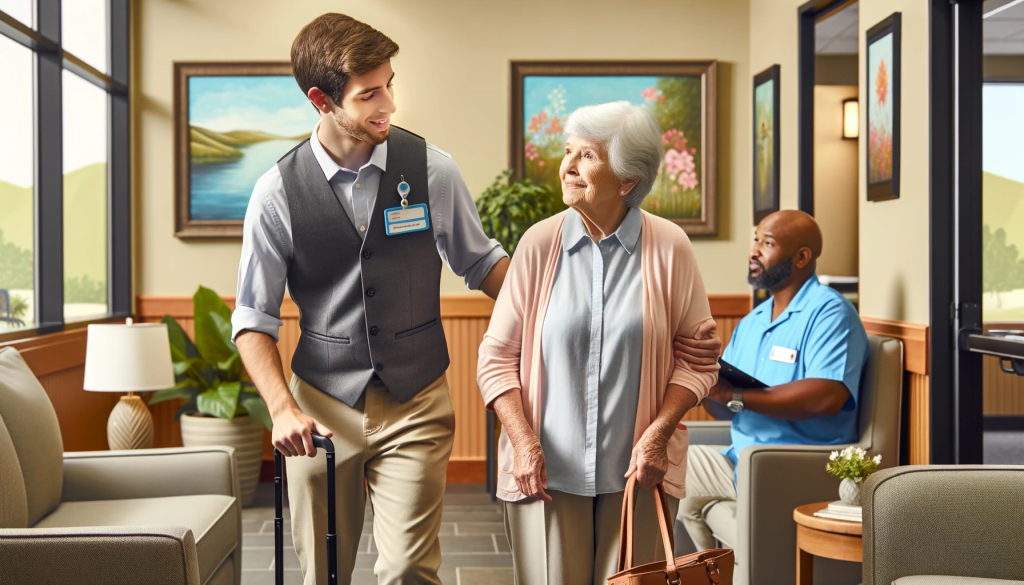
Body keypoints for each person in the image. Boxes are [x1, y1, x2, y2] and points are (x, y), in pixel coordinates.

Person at [230, 14, 513, 585]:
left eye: (390, 84)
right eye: (369, 94)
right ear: (321, 100)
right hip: (321, 410)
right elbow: (253, 318)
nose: (388, 104)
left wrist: (557, 302)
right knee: (324, 575)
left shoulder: (433, 170)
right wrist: (283, 409)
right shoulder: (275, 194)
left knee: (409, 571)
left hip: (417, 400)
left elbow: (482, 264)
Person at [477, 101, 720, 585]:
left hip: (639, 473)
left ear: (627, 180)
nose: (567, 166)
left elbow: (698, 362)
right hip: (544, 474)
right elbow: (495, 358)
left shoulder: (670, 247)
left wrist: (659, 434)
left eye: (586, 155)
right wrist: (524, 442)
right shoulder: (538, 244)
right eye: (567, 151)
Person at [676, 209, 869, 551]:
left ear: (802, 256)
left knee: (662, 469)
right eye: (755, 241)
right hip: (741, 457)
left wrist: (732, 393)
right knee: (660, 459)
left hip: (793, 462)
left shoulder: (830, 313)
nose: (754, 252)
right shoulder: (753, 321)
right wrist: (702, 381)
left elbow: (827, 396)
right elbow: (728, 408)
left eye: (767, 243)